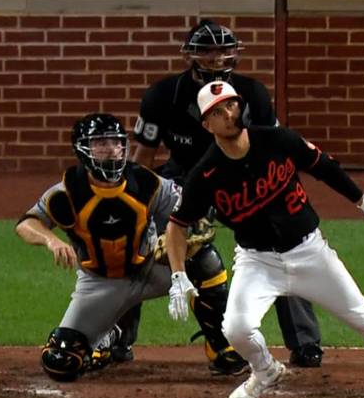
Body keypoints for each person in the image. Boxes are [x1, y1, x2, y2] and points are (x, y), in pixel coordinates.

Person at [164, 80, 364, 398]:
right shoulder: (206, 174)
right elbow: (177, 225)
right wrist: (178, 275)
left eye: (231, 104)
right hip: (258, 262)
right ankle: (265, 370)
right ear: (206, 124)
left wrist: (362, 200)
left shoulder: (278, 140)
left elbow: (322, 166)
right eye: (217, 111)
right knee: (236, 328)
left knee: (363, 318)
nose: (228, 114)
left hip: (309, 252)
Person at [118, 18, 324, 370]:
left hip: (244, 179)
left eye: (223, 49)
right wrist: (137, 206)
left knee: (283, 243)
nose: (216, 57)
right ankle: (118, 340)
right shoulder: (162, 96)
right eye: (208, 50)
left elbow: (271, 148)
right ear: (191, 55)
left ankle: (305, 342)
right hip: (183, 181)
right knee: (133, 236)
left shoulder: (253, 93)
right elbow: (145, 157)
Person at [15, 113, 242, 380]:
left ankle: (221, 343)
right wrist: (50, 239)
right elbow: (26, 224)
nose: (112, 150)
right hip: (100, 284)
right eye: (101, 143)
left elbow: (189, 213)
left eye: (116, 142)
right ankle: (112, 334)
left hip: (149, 269)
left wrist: (178, 237)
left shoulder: (145, 182)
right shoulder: (68, 192)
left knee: (204, 260)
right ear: (82, 149)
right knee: (60, 361)